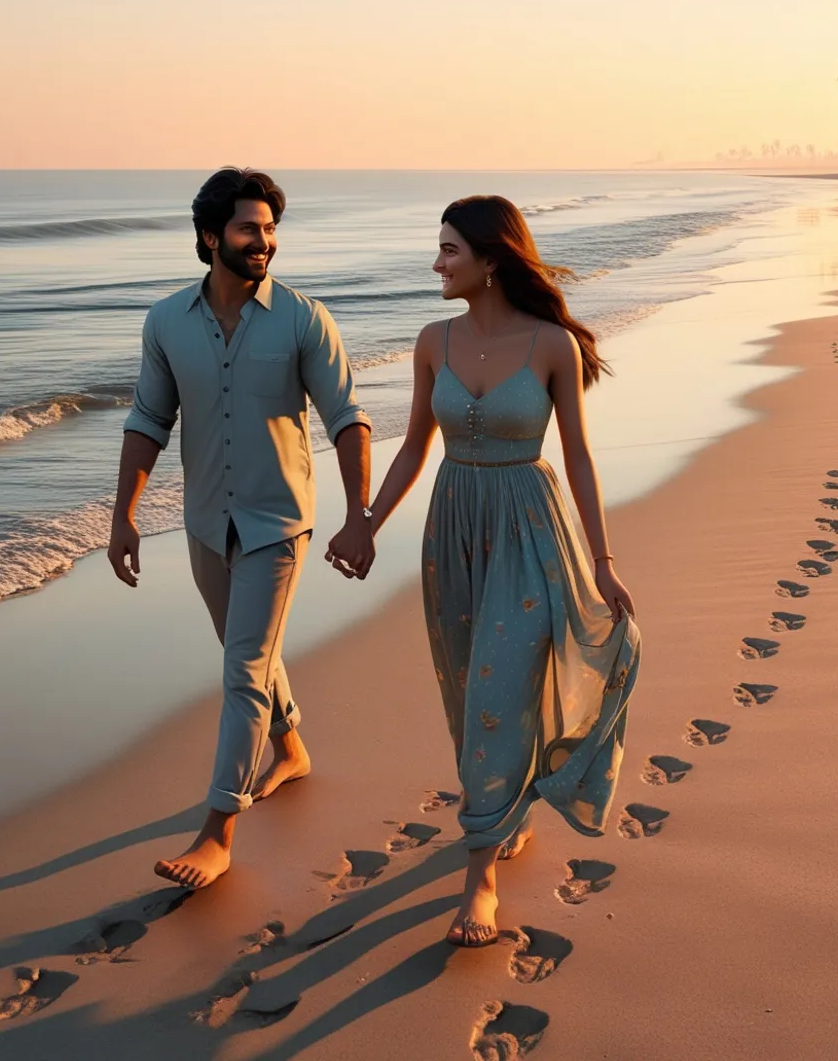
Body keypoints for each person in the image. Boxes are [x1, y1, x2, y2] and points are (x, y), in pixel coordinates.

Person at [365, 195, 641, 946]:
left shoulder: (553, 344)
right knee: (469, 694)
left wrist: (604, 563)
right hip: (453, 526)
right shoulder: (432, 341)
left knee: (499, 682)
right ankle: (504, 811)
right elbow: (415, 446)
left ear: (491, 260)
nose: (437, 263)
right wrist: (365, 525)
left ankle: (479, 879)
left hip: (529, 525)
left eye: (451, 249)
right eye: (439, 247)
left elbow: (578, 456)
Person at [108, 167, 374, 891]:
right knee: (246, 653)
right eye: (249, 228)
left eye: (269, 229)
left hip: (278, 522)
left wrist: (360, 516)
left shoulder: (302, 318)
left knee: (243, 669)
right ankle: (291, 748)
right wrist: (123, 516)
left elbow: (347, 419)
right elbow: (148, 422)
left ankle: (217, 832)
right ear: (209, 236)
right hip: (204, 520)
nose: (265, 241)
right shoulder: (165, 322)